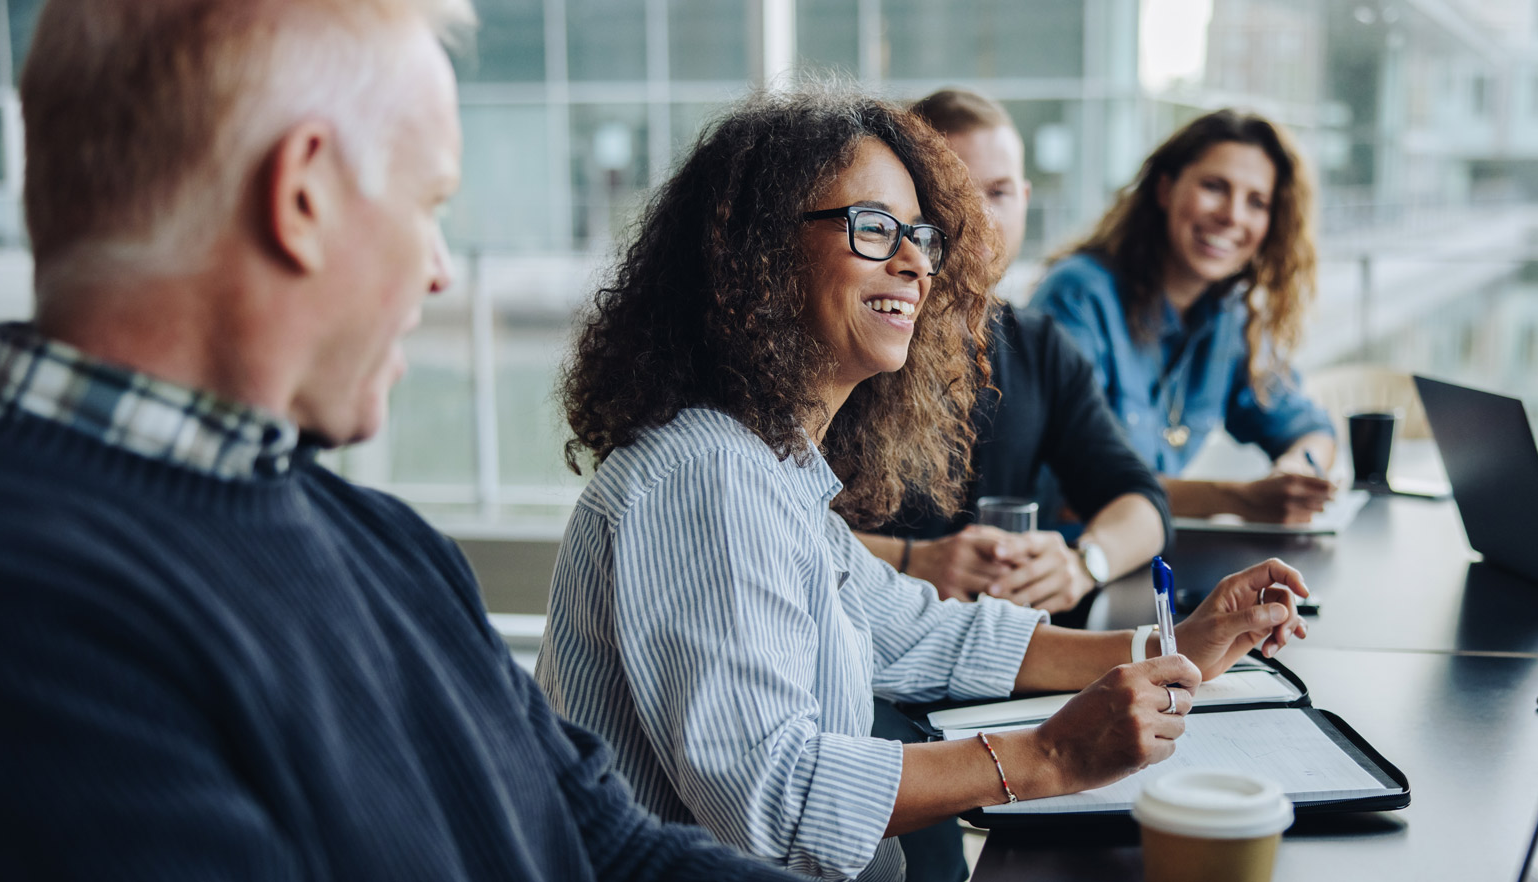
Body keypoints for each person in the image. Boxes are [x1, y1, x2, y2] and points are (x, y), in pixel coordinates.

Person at [0, 2, 811, 879]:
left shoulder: (389, 544)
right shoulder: (16, 610)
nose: (440, 269)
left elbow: (607, 844)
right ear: (304, 196)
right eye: (431, 203)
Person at [538, 87, 1309, 882]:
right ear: (754, 253)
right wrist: (1054, 752)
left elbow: (925, 636)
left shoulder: (770, 465)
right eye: (873, 228)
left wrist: (1175, 645)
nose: (915, 261)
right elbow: (776, 800)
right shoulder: (705, 477)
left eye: (920, 235)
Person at [844, 89, 1167, 616]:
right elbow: (773, 523)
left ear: (1024, 197)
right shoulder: (856, 337)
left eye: (997, 192)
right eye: (951, 194)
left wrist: (1086, 563)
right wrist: (911, 561)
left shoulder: (1039, 346)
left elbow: (1142, 502)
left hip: (1004, 658)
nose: (977, 218)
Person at [1030, 109, 1338, 526]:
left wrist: (1298, 471)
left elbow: (1308, 427)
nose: (1232, 215)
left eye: (1257, 202)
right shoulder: (1079, 296)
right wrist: (1238, 498)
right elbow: (1071, 492)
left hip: (1152, 557)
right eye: (1214, 187)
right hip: (1068, 564)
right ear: (1164, 190)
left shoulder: (1230, 315)